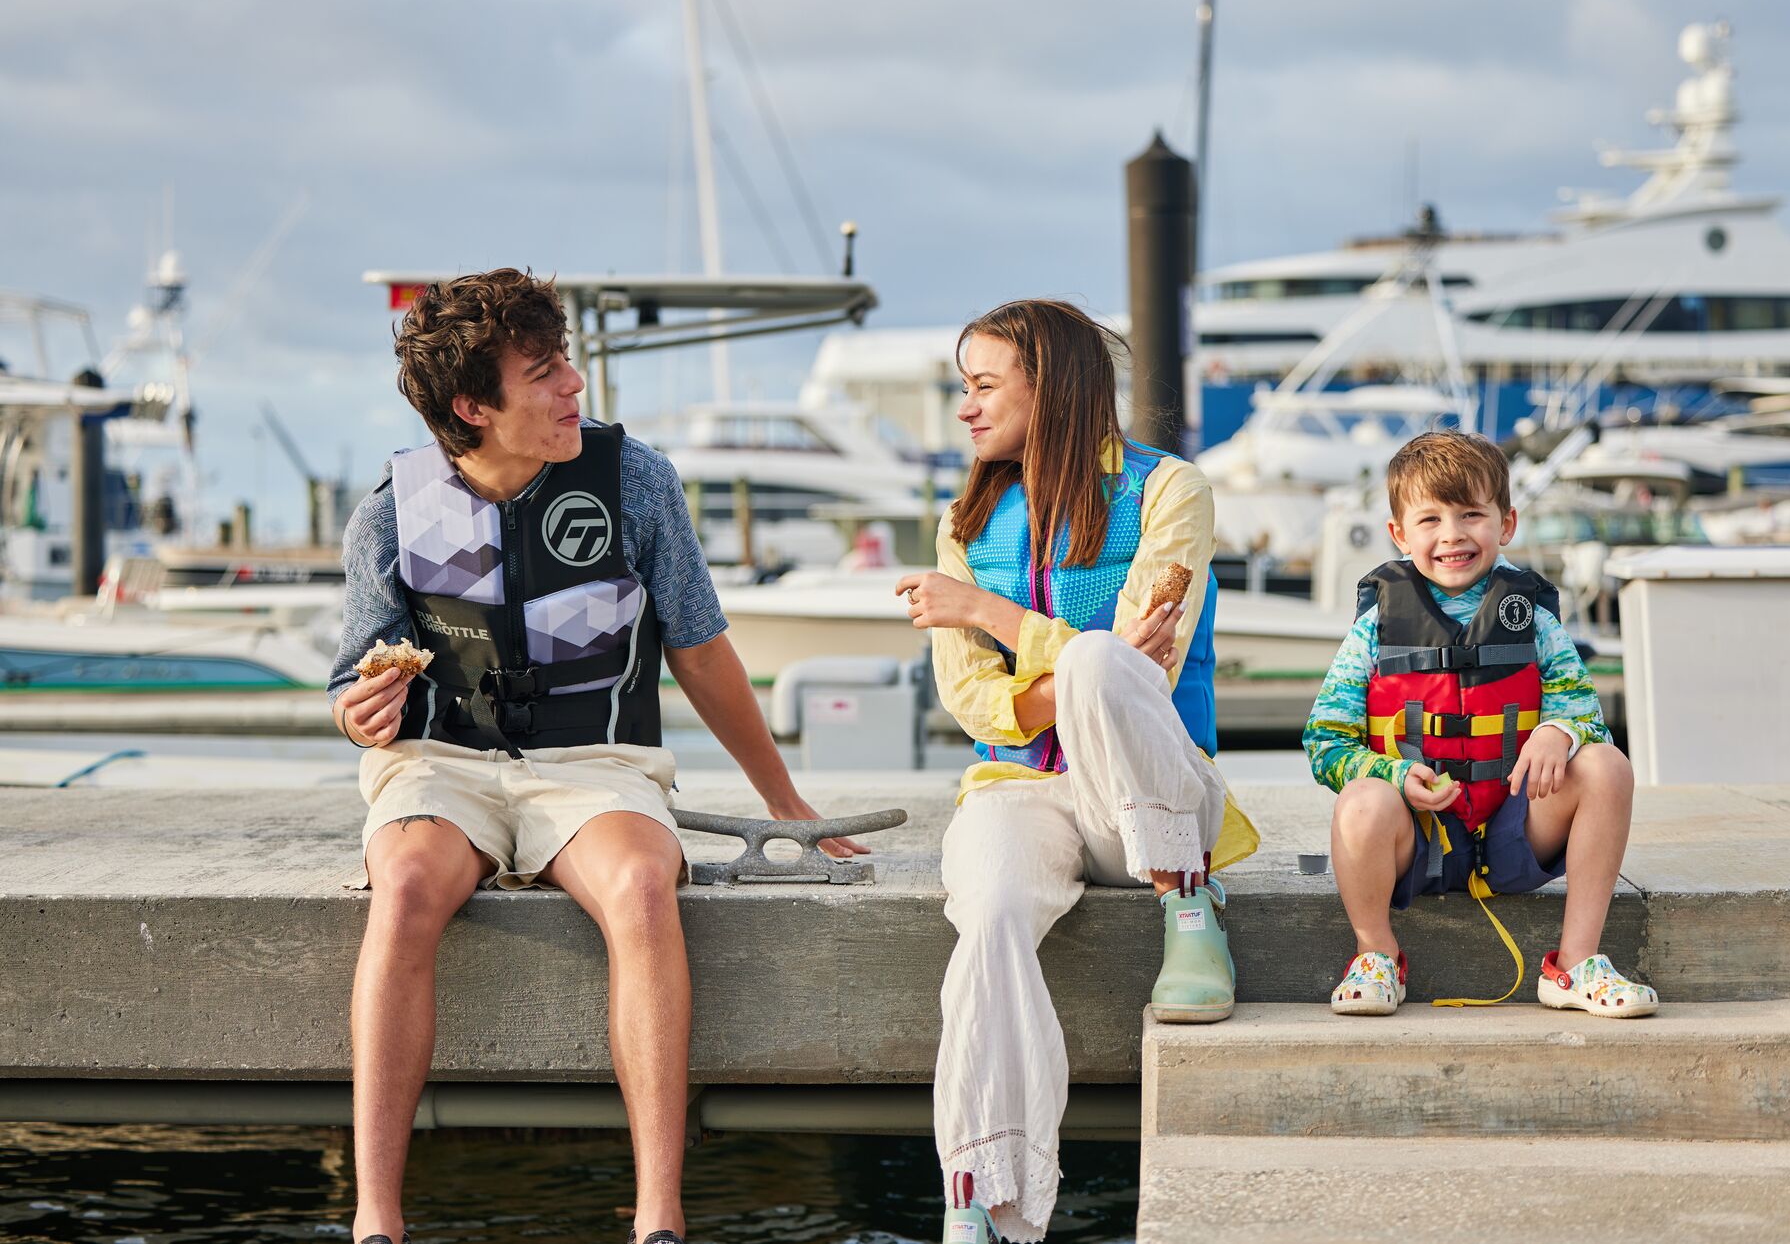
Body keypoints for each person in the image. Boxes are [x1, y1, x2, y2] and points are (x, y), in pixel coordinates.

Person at [327, 268, 863, 1244]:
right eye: (544, 371)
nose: (575, 384)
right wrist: (362, 712)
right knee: (403, 887)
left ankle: (658, 1215)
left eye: (566, 359)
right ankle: (376, 1220)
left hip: (598, 764)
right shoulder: (390, 515)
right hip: (441, 764)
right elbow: (352, 689)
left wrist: (785, 800)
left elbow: (700, 652)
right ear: (472, 406)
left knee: (641, 887)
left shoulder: (639, 482)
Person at [894, 299, 1259, 1243]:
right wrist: (1076, 673)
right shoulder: (969, 514)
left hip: (1145, 791)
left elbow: (1150, 671)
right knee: (990, 920)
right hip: (1019, 790)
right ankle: (982, 1204)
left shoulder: (1167, 491)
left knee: (1106, 666)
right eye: (962, 388)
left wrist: (992, 613)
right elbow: (969, 702)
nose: (966, 410)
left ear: (1049, 385)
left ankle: (1189, 901)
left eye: (983, 386)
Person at [1304, 429, 1655, 1017]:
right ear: (1398, 533)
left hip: (1516, 830)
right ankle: (1376, 955)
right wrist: (1389, 772)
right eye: (1430, 519)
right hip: (1415, 841)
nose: (1452, 535)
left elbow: (1587, 712)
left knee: (1606, 766)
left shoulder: (1533, 619)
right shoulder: (1375, 627)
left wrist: (1557, 731)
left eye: (1472, 514)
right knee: (1361, 800)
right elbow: (1325, 741)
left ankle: (1574, 965)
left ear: (1506, 523)